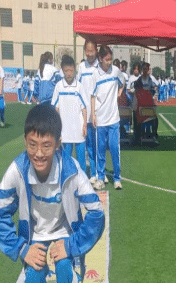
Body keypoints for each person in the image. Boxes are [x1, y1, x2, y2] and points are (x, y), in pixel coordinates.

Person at [0, 104, 105, 283]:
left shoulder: (71, 169)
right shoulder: (17, 170)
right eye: (32, 145)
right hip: (35, 233)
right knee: (34, 270)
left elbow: (96, 213)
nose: (39, 153)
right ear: (24, 141)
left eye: (46, 146)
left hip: (65, 232)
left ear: (58, 144)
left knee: (64, 266)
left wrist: (72, 245)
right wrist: (21, 249)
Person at [91, 45, 124, 190]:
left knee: (114, 148)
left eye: (110, 59)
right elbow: (92, 96)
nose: (109, 62)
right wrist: (93, 114)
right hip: (100, 119)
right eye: (107, 59)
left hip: (114, 119)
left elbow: (123, 82)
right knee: (101, 150)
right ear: (100, 58)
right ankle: (100, 178)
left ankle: (117, 178)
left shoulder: (115, 71)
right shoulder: (95, 74)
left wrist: (119, 93)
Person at [52, 54, 88, 170]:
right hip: (65, 131)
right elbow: (56, 108)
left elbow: (84, 108)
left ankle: (83, 179)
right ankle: (66, 179)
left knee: (81, 160)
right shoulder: (59, 86)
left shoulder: (79, 87)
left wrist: (85, 125)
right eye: (66, 71)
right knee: (65, 159)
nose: (68, 73)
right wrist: (57, 127)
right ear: (62, 70)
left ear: (74, 70)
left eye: (71, 71)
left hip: (78, 130)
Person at [78, 39, 101, 178]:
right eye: (87, 51)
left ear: (96, 51)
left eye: (92, 51)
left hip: (97, 113)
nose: (89, 54)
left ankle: (96, 172)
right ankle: (88, 173)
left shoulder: (100, 67)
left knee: (96, 145)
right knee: (85, 145)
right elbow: (78, 88)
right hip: (84, 113)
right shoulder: (81, 67)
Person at [132, 78, 159, 145]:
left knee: (135, 115)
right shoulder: (148, 93)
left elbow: (134, 107)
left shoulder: (136, 94)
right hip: (151, 118)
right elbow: (153, 105)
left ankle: (137, 136)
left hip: (140, 118)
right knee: (155, 118)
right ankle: (153, 134)